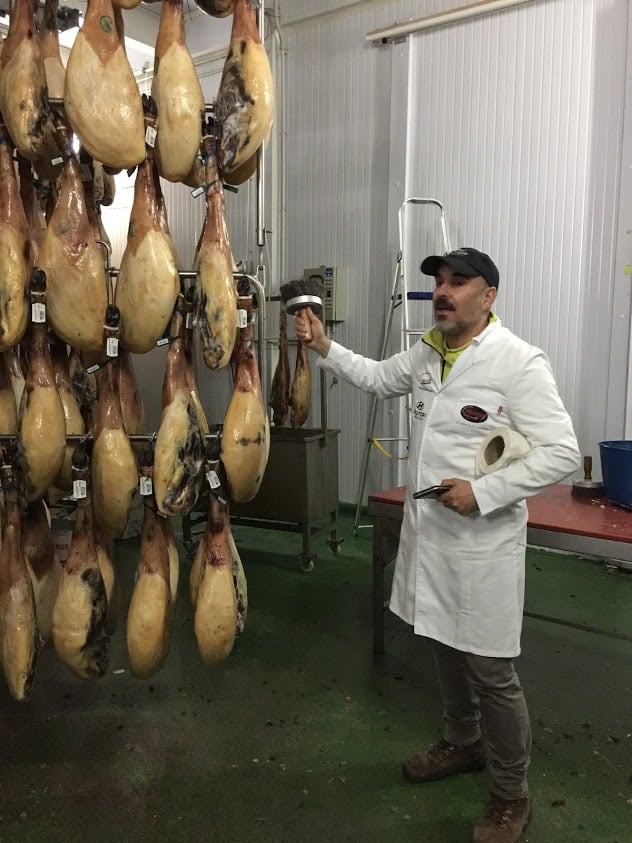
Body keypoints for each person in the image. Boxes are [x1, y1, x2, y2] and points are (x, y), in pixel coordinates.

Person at [294, 247, 581, 843]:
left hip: (481, 542)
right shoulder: (429, 350)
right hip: (432, 536)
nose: (443, 292)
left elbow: (560, 453)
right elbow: (375, 377)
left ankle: (510, 793)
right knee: (443, 645)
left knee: (492, 671)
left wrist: (484, 491)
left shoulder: (518, 362)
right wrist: (323, 346)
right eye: (438, 282)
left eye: (458, 282)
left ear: (489, 296)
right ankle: (463, 742)